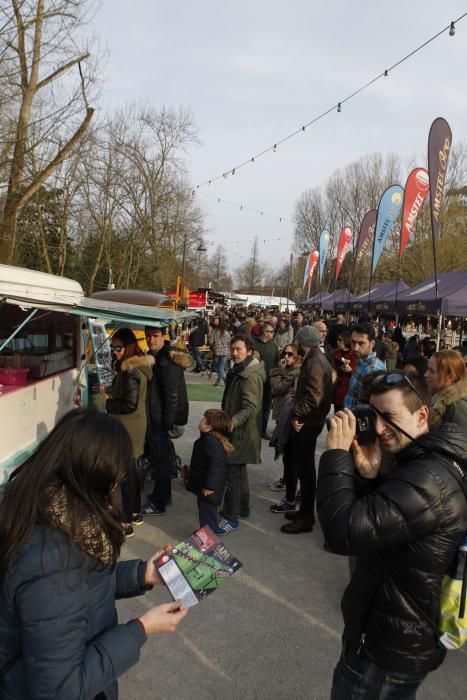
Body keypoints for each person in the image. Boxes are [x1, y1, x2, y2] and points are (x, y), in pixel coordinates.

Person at [0, 408, 188, 699]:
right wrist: (140, 629)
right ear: (94, 477)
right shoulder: (52, 559)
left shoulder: (46, 509)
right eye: (116, 479)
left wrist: (142, 574)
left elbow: (80, 590)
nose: (117, 488)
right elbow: (60, 690)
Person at [317, 373, 467, 699]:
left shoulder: (427, 479)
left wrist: (335, 456)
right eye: (374, 415)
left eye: (390, 417)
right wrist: (370, 477)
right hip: (397, 633)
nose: (380, 428)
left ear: (422, 415)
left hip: (387, 646)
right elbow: (385, 526)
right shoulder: (420, 460)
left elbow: (343, 533)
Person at [280, 326, 332, 534]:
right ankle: (304, 512)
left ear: (303, 343)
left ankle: (306, 517)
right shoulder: (317, 359)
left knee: (306, 470)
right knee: (304, 468)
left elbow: (314, 396)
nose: (295, 345)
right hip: (312, 419)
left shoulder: (315, 362)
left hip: (309, 422)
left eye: (297, 342)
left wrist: (296, 414)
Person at [103, 328, 155, 537]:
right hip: (135, 424)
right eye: (112, 347)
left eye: (118, 347)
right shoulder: (140, 365)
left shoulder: (130, 370)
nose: (114, 351)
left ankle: (124, 523)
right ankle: (134, 513)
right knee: (132, 472)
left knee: (124, 475)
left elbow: (129, 404)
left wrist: (108, 402)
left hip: (127, 426)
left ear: (128, 347)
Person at [218, 334, 265, 533]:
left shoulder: (249, 376)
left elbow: (250, 407)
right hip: (241, 431)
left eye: (239, 349)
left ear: (249, 351)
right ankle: (243, 508)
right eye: (233, 349)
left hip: (241, 432)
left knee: (232, 474)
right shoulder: (240, 370)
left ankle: (231, 516)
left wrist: (232, 421)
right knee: (239, 471)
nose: (235, 353)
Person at [142, 327, 190, 516]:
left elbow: (172, 396)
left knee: (160, 461)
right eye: (148, 336)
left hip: (162, 419)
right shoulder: (161, 356)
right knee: (161, 459)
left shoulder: (166, 361)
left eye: (155, 336)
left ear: (163, 336)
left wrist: (167, 424)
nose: (150, 340)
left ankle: (159, 502)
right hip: (160, 417)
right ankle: (164, 495)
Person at [186, 409, 234, 532]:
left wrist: (209, 486)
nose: (201, 420)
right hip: (205, 487)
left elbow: (216, 466)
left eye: (204, 419)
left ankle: (208, 540)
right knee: (204, 513)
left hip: (209, 490)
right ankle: (205, 533)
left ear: (209, 425)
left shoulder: (211, 443)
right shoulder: (209, 438)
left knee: (208, 516)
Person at [269, 343, 301, 507]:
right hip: (283, 413)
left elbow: (278, 388)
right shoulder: (288, 370)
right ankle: (287, 479)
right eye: (284, 353)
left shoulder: (295, 371)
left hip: (289, 416)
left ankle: (291, 489)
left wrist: (277, 372)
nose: (286, 357)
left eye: (290, 354)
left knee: (291, 454)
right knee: (288, 454)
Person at [344, 323, 386, 408]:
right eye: (353, 342)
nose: (355, 348)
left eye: (361, 343)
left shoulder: (373, 369)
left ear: (372, 344)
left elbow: (370, 406)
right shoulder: (362, 361)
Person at [425, 349, 467, 432]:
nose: (425, 374)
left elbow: (460, 442)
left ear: (450, 377)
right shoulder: (437, 396)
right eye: (427, 369)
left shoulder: (457, 406)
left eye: (432, 371)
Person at [251, 323, 280, 438]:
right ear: (265, 333)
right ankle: (251, 429)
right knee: (253, 406)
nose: (273, 333)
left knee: (266, 407)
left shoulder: (274, 346)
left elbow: (277, 362)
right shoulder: (254, 345)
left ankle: (262, 430)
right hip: (255, 381)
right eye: (271, 331)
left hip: (268, 382)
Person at [332, 330, 356, 412]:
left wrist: (351, 370)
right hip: (337, 391)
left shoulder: (354, 355)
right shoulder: (334, 354)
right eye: (337, 339)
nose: (337, 342)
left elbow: (357, 371)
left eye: (340, 340)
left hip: (348, 391)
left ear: (346, 341)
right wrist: (339, 369)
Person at [210, 319, 231, 386]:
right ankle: (220, 380)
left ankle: (223, 380)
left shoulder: (215, 332)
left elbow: (211, 341)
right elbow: (229, 343)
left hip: (217, 351)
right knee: (221, 366)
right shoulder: (227, 333)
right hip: (225, 352)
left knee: (218, 367)